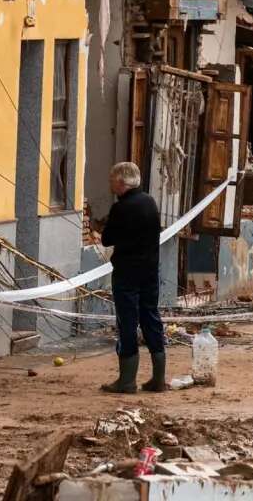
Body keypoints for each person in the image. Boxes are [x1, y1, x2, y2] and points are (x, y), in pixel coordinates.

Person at [98, 162, 166, 394]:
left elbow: (107, 239)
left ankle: (127, 380)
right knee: (151, 317)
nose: (109, 184)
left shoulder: (121, 208)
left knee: (127, 321)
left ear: (121, 182)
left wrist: (107, 224)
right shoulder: (150, 202)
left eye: (112, 180)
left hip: (127, 273)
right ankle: (158, 378)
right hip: (150, 271)